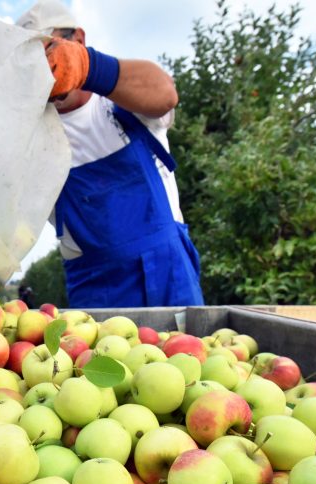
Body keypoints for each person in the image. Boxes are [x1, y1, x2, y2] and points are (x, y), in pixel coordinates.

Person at [16, 0, 204, 309]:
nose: (44, 70)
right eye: (30, 63)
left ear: (78, 41)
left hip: (172, 278)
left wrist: (89, 67)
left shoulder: (121, 105)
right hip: (95, 292)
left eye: (48, 52)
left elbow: (165, 93)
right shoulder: (34, 141)